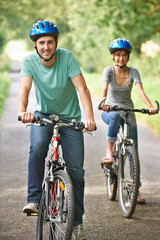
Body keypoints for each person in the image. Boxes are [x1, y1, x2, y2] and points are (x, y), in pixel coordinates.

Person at [18, 20, 96, 235]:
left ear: (56, 43)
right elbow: (24, 89)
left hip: (70, 118)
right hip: (43, 115)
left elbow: (83, 89)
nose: (46, 46)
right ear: (35, 45)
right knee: (38, 147)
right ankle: (34, 199)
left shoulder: (67, 57)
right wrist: (23, 111)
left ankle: (77, 221)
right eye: (41, 42)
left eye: (50, 42)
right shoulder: (29, 61)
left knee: (76, 172)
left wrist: (89, 118)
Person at [99, 38, 157, 204]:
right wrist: (102, 102)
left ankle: (135, 189)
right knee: (116, 117)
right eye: (118, 55)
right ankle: (109, 153)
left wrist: (150, 105)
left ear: (128, 56)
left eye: (124, 55)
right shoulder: (108, 71)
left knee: (134, 151)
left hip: (129, 111)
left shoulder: (133, 72)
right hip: (111, 111)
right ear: (113, 56)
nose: (121, 58)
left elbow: (139, 90)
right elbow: (103, 90)